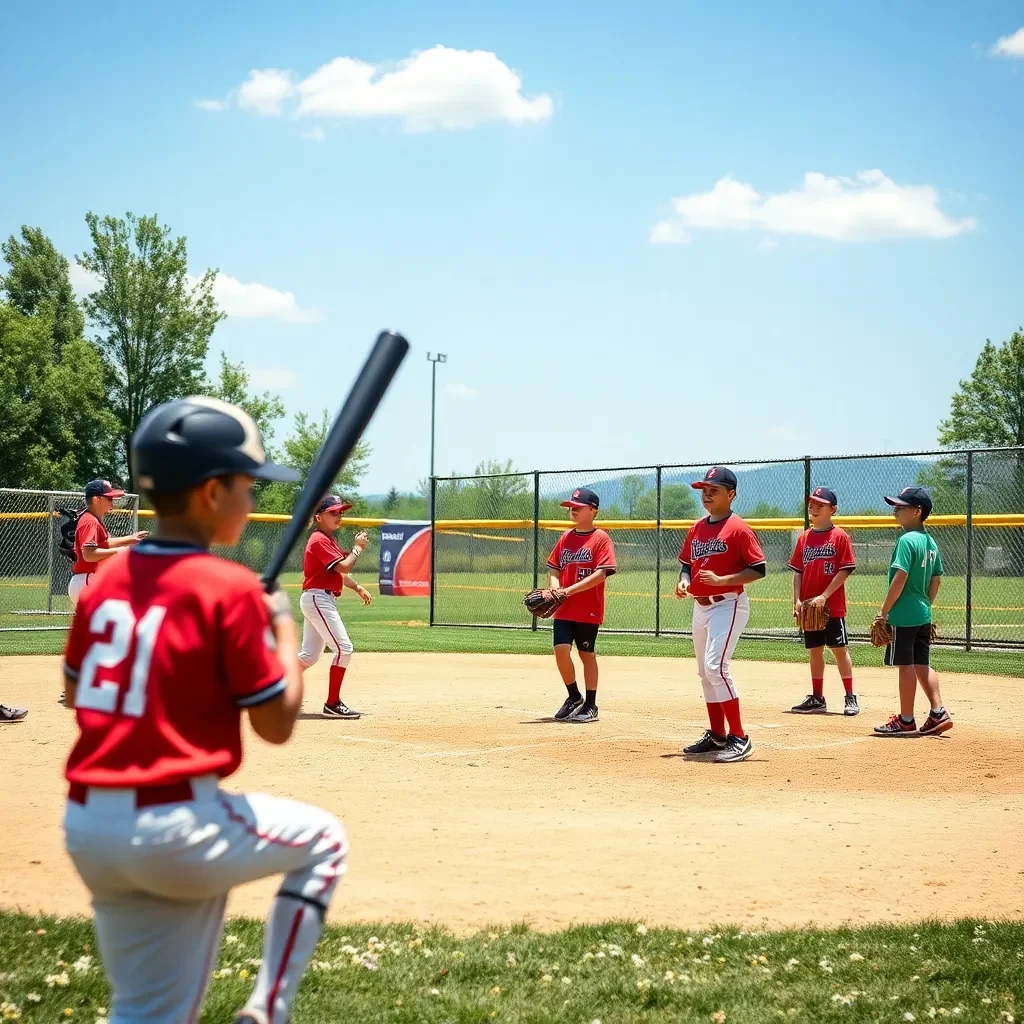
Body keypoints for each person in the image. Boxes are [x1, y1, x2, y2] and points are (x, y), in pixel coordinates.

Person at [61, 395, 348, 1024]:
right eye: (246, 485)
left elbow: (82, 693)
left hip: (87, 825)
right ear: (211, 492)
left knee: (146, 1009)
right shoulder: (231, 588)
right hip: (173, 823)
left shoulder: (107, 582)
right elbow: (275, 725)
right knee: (325, 841)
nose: (251, 500)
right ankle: (267, 1012)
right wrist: (275, 627)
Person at [676, 466, 767, 763]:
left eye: (713, 490)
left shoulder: (738, 528)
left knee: (716, 668)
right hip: (700, 606)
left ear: (731, 494)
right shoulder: (698, 527)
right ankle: (717, 734)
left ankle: (739, 737)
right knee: (704, 672)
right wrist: (685, 581)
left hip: (728, 604)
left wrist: (723, 580)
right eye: (704, 490)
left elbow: (758, 569)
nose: (706, 495)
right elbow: (687, 564)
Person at [873, 486, 953, 737]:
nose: (895, 510)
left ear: (917, 511)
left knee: (905, 665)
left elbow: (900, 577)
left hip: (904, 614)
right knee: (922, 663)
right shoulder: (931, 542)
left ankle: (906, 719)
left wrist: (884, 611)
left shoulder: (906, 541)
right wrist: (925, 605)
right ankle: (938, 711)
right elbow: (936, 580)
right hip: (923, 614)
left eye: (901, 506)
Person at [298, 494, 373, 719]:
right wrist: (358, 548)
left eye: (340, 512)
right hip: (318, 599)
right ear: (318, 517)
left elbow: (339, 572)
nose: (338, 515)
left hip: (319, 598)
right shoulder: (319, 540)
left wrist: (357, 587)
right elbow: (343, 566)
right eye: (333, 512)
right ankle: (332, 703)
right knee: (344, 649)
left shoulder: (327, 539)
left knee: (308, 656)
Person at [546, 487, 617, 723]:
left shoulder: (601, 539)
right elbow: (554, 566)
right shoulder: (566, 537)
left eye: (578, 507)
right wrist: (556, 588)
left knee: (586, 654)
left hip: (588, 607)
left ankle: (591, 704)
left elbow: (601, 574)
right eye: (571, 507)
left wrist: (567, 590)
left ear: (593, 510)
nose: (572, 510)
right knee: (560, 651)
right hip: (564, 607)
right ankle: (574, 697)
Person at [789, 486, 859, 716]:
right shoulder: (804, 538)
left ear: (833, 509)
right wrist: (797, 601)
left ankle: (850, 697)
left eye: (820, 504)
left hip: (832, 606)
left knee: (839, 649)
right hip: (810, 606)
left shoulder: (839, 536)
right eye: (812, 504)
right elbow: (797, 572)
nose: (814, 508)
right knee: (815, 651)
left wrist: (825, 596)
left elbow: (846, 569)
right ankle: (817, 698)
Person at [68, 479, 146, 609]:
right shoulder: (90, 521)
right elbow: (89, 554)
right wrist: (120, 551)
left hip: (87, 580)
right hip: (87, 580)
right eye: (109, 498)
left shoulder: (93, 519)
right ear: (96, 499)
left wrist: (131, 539)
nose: (112, 502)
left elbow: (104, 543)